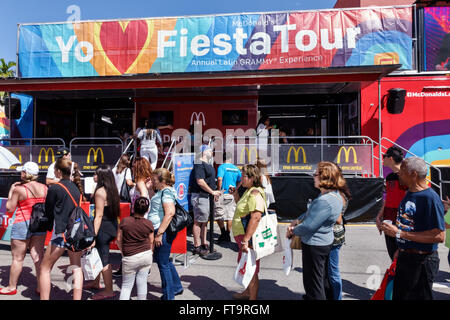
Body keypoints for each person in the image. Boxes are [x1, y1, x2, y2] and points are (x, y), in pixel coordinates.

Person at [381, 156, 445, 300]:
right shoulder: (409, 193)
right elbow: (411, 225)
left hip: (422, 261)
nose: (399, 173)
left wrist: (400, 234)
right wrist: (401, 249)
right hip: (406, 257)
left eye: (402, 170)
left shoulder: (429, 198)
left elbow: (439, 236)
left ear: (413, 174)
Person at [286, 161, 345, 300]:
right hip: (323, 242)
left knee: (314, 284)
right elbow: (310, 213)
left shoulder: (324, 200)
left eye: (316, 174)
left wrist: (293, 230)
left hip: (315, 245)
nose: (313, 177)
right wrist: (297, 220)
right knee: (322, 280)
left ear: (324, 177)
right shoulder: (333, 196)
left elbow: (309, 226)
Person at [39, 158, 84, 300]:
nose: (52, 171)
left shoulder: (55, 188)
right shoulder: (76, 188)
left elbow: (48, 211)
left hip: (60, 233)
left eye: (54, 169)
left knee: (45, 268)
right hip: (75, 233)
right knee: (76, 267)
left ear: (58, 171)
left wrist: (47, 227)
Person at [0, 162, 47, 295]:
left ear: (26, 174)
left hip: (22, 224)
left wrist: (11, 190)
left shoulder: (19, 189)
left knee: (17, 258)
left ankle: (11, 287)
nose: (21, 174)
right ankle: (40, 287)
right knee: (38, 256)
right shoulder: (45, 188)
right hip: (39, 223)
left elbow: (9, 208)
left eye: (22, 171)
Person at [83, 165, 120, 300]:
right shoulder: (112, 189)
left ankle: (109, 290)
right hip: (111, 226)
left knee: (104, 260)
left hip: (103, 228)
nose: (93, 176)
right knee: (98, 256)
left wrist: (92, 236)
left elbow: (98, 216)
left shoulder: (100, 192)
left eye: (96, 174)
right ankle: (96, 282)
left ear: (102, 177)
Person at [230, 164, 266, 300]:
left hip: (248, 237)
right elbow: (242, 207)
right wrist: (235, 194)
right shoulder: (248, 191)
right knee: (245, 264)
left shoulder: (255, 193)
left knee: (251, 268)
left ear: (252, 178)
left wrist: (246, 239)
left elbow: (255, 217)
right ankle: (247, 292)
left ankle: (253, 298)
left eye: (244, 176)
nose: (241, 178)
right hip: (243, 235)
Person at [149, 168, 183, 300]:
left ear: (162, 181)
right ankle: (177, 287)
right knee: (164, 260)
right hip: (160, 230)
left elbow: (169, 213)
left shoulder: (167, 192)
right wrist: (151, 187)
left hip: (161, 230)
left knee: (163, 263)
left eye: (155, 180)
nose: (153, 182)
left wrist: (159, 234)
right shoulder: (162, 191)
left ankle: (169, 296)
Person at [117, 196, 154, 300]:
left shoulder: (125, 221)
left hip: (129, 257)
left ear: (133, 207)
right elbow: (151, 241)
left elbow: (119, 240)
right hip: (146, 256)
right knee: (142, 282)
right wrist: (150, 253)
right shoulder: (149, 224)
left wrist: (123, 252)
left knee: (126, 286)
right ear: (147, 210)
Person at [375, 146, 407, 260]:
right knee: (392, 253)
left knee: (402, 255)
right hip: (388, 218)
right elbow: (388, 197)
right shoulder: (389, 177)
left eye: (384, 156)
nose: (382, 159)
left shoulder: (405, 176)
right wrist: (379, 216)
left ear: (391, 158)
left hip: (401, 220)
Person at [190, 145, 221, 255]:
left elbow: (209, 182)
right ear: (203, 152)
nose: (212, 151)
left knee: (204, 222)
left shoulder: (208, 165)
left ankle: (204, 243)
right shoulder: (199, 163)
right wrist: (212, 192)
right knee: (198, 222)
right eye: (209, 150)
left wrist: (214, 193)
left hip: (207, 196)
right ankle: (197, 246)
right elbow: (200, 181)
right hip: (200, 196)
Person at [327, 165, 351, 301]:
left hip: (333, 237)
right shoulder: (335, 192)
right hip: (333, 236)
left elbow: (337, 219)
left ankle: (336, 298)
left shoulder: (338, 195)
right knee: (329, 270)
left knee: (333, 271)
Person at [214, 152, 241, 243]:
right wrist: (236, 188)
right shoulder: (236, 168)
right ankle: (227, 234)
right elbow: (241, 180)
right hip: (232, 193)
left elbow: (219, 179)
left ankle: (223, 233)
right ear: (230, 159)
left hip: (223, 192)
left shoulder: (222, 167)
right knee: (230, 215)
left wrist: (218, 191)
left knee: (219, 214)